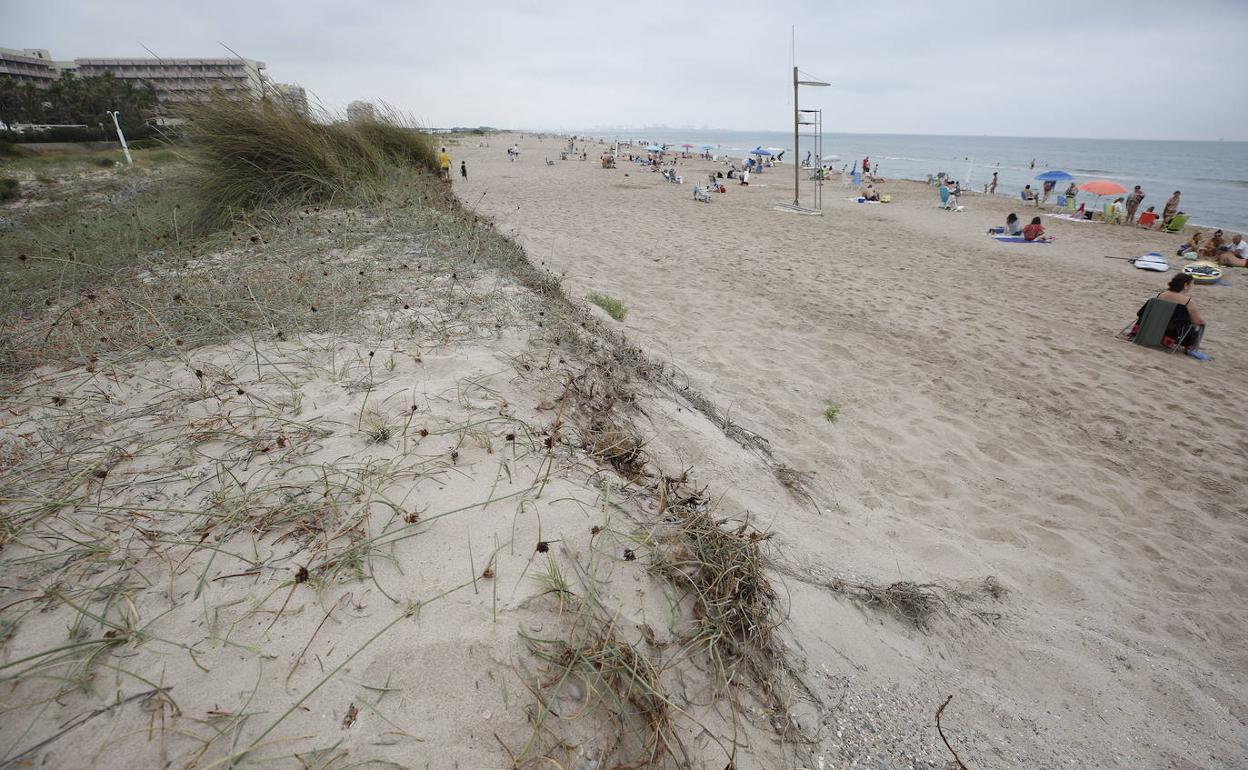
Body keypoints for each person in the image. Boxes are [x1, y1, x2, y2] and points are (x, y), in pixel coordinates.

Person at [1137, 273, 1208, 359]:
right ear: (1185, 285)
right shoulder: (1187, 302)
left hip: (1153, 330)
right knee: (1200, 324)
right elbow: (1197, 322)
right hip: (1173, 335)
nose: (1191, 287)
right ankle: (1191, 348)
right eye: (1191, 284)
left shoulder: (1161, 295)